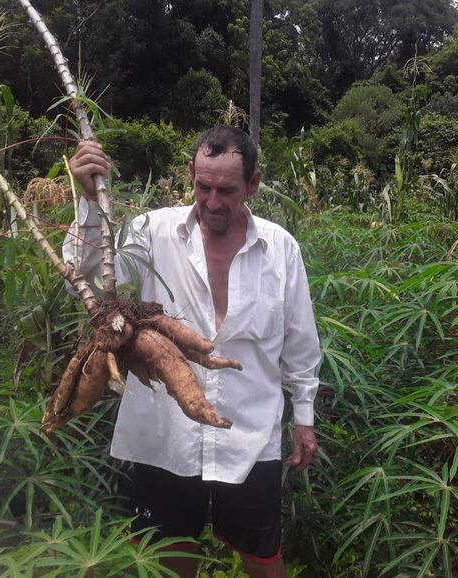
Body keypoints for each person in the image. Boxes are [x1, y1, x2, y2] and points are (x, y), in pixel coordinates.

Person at [64, 126, 320, 578]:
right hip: (167, 435)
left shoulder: (280, 249)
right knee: (169, 560)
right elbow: (84, 270)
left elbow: (300, 341)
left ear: (253, 185)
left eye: (227, 189)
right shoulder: (152, 232)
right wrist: (88, 202)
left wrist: (304, 419)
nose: (213, 201)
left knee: (262, 557)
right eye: (203, 186)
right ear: (190, 176)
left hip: (249, 435)